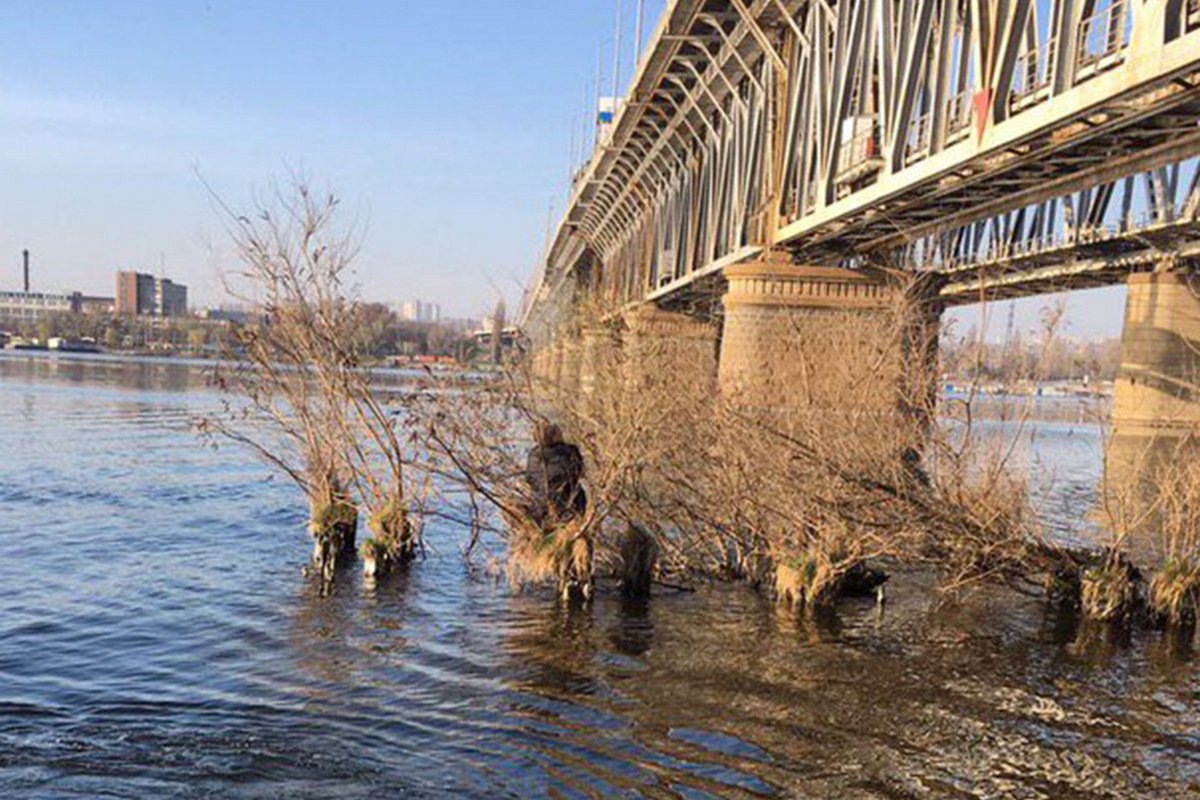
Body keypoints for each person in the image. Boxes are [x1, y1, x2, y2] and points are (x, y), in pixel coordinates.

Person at [524, 422, 587, 529]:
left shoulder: (533, 455)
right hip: (569, 507)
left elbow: (529, 479)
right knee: (578, 491)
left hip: (540, 509)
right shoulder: (569, 450)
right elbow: (579, 471)